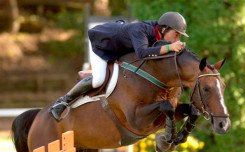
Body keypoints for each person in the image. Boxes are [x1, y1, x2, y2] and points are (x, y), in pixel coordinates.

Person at [49, 12, 188, 121]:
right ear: (164, 29)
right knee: (99, 79)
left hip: (119, 50)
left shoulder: (159, 35)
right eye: (176, 34)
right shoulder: (141, 30)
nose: (177, 39)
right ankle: (62, 102)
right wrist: (170, 47)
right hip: (103, 45)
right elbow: (142, 53)